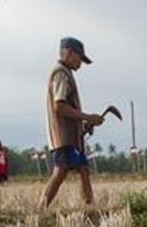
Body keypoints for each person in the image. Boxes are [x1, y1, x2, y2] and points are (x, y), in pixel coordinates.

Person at [40, 37, 104, 209]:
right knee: (60, 171)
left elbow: (67, 107)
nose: (80, 64)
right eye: (79, 58)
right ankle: (40, 209)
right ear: (69, 53)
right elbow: (59, 106)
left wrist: (84, 124)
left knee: (83, 168)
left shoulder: (65, 73)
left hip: (71, 136)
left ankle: (90, 206)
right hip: (63, 137)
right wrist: (87, 117)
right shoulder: (60, 74)